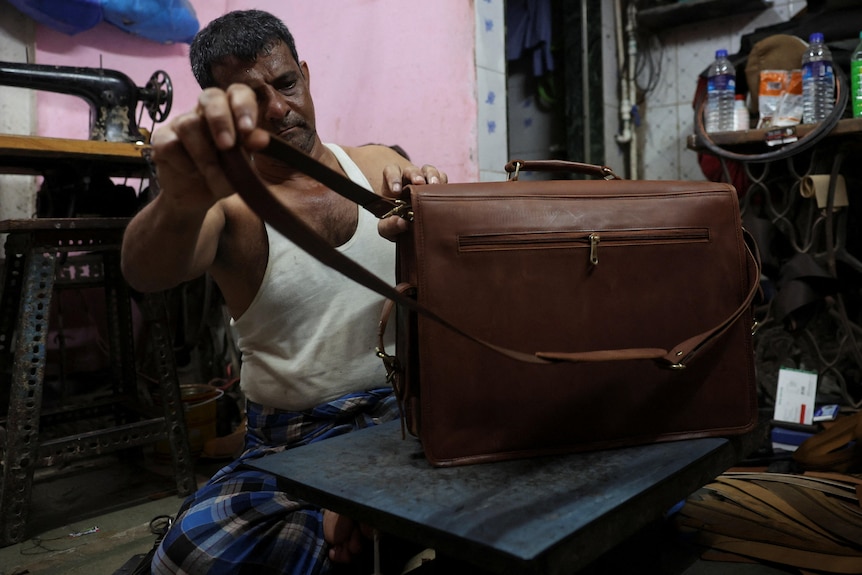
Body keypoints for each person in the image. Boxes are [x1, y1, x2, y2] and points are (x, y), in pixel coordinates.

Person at [120, 9, 447, 574]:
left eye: (286, 84)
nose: (277, 109)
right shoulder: (225, 208)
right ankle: (358, 519)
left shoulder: (377, 167)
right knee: (186, 559)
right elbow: (145, 270)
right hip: (290, 444)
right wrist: (178, 200)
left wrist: (435, 206)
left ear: (306, 74)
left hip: (401, 421)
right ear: (221, 113)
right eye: (251, 100)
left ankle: (360, 519)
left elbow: (450, 267)